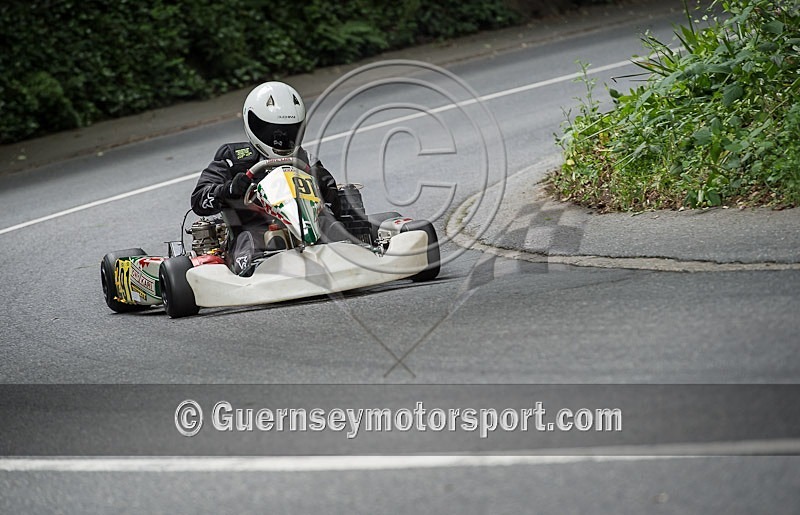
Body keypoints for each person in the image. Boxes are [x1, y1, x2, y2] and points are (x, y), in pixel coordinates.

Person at [191, 81, 342, 275]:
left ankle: (346, 253)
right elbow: (199, 200)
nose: (281, 139)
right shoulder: (233, 158)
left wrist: (328, 186)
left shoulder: (306, 160)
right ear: (253, 123)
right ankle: (262, 266)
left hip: (309, 227)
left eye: (289, 131)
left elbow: (335, 206)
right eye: (273, 131)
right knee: (256, 240)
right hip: (253, 230)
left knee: (331, 225)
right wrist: (228, 189)